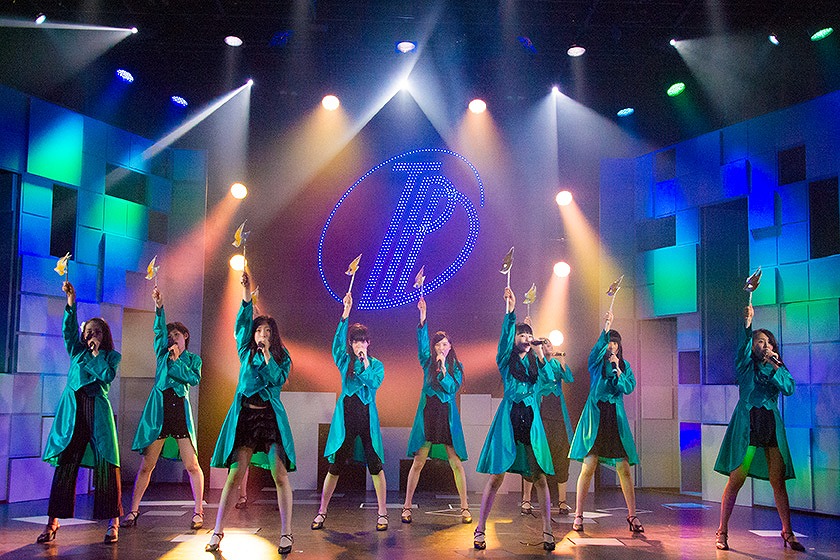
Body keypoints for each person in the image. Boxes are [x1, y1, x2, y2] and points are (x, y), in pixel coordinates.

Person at [206, 272, 296, 554]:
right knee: (235, 475)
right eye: (259, 332)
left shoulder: (281, 357)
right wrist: (246, 293)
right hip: (246, 415)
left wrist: (268, 354)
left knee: (279, 474)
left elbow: (277, 379)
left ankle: (286, 533)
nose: (262, 335)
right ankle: (217, 531)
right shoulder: (245, 352)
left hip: (270, 417)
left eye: (267, 332)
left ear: (273, 336)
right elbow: (242, 321)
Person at [37, 281, 122, 544]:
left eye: (97, 331)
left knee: (107, 464)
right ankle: (52, 523)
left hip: (97, 410)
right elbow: (68, 330)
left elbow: (106, 376)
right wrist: (71, 303)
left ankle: (113, 523)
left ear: (104, 335)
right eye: (88, 331)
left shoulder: (111, 356)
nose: (91, 334)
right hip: (73, 411)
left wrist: (96, 354)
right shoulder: (76, 351)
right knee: (66, 464)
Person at [713, 304, 803, 551]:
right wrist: (748, 324)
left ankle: (787, 531)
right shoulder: (745, 366)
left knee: (778, 480)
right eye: (759, 342)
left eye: (768, 342)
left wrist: (775, 366)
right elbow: (743, 346)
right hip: (748, 424)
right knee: (737, 479)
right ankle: (722, 531)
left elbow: (789, 388)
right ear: (752, 346)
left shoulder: (777, 367)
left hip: (770, 423)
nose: (765, 345)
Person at [472, 287, 556, 552]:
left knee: (539, 476)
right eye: (522, 334)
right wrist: (510, 311)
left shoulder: (534, 363)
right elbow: (505, 336)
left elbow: (549, 381)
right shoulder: (505, 360)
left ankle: (547, 530)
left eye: (529, 335)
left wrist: (542, 356)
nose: (526, 338)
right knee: (496, 477)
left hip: (530, 420)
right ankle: (480, 528)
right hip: (509, 418)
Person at [123, 287, 204, 530]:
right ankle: (133, 510)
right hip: (159, 412)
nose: (172, 339)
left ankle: (198, 511)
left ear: (185, 336)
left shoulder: (193, 360)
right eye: (170, 336)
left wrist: (177, 361)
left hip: (179, 411)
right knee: (147, 465)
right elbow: (158, 330)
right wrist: (159, 307)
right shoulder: (162, 354)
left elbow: (193, 379)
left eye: (176, 335)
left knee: (192, 465)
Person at [312, 292, 388, 532]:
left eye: (362, 341)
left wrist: (364, 363)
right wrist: (345, 313)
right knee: (335, 466)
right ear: (351, 344)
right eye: (355, 342)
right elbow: (336, 344)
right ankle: (322, 511)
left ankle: (382, 513)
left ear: (368, 343)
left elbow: (374, 382)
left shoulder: (375, 365)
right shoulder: (345, 361)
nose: (359, 345)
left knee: (375, 464)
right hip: (346, 418)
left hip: (366, 418)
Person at [569, 311, 642, 534]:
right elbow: (595, 351)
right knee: (589, 465)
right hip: (596, 417)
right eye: (609, 342)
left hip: (614, 420)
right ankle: (579, 514)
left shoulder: (624, 366)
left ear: (619, 346)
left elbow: (628, 387)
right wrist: (607, 326)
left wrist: (618, 369)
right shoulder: (596, 364)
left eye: (615, 343)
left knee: (624, 468)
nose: (612, 346)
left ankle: (632, 515)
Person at [401, 296, 471, 524]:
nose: (442, 347)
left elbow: (452, 387)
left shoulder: (456, 367)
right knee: (419, 461)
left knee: (455, 462)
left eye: (445, 344)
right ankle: (407, 506)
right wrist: (423, 317)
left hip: (446, 416)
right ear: (434, 348)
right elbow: (422, 344)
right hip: (428, 414)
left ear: (450, 347)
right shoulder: (427, 362)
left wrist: (443, 371)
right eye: (438, 345)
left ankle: (465, 507)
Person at [521, 337, 574, 516]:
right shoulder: (536, 364)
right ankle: (526, 499)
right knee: (535, 456)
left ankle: (562, 501)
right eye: (543, 345)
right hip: (541, 415)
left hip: (558, 416)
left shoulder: (557, 364)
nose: (547, 346)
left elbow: (569, 378)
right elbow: (546, 376)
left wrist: (562, 360)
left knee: (562, 457)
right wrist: (543, 357)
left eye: (549, 344)